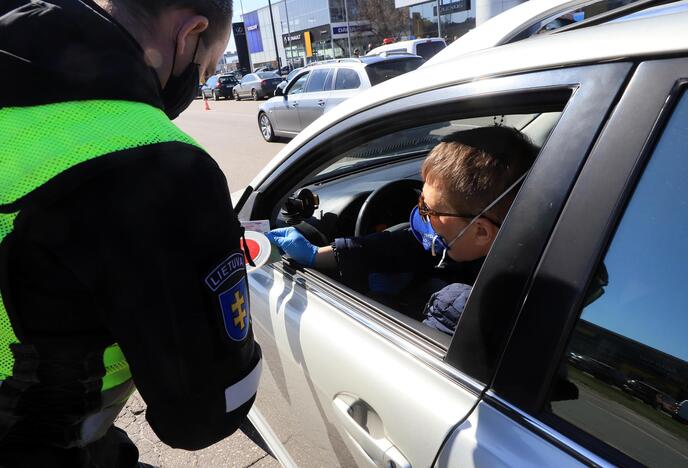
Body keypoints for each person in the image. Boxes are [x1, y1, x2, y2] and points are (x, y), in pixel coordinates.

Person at [0, 1, 261, 466]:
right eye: (207, 66)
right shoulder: (159, 164)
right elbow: (201, 415)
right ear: (190, 33)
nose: (197, 82)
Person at [267, 126, 537, 319]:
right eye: (420, 199)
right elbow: (405, 244)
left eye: (427, 209)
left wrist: (380, 301)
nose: (419, 215)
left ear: (480, 232)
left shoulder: (464, 307)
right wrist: (317, 256)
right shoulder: (515, 246)